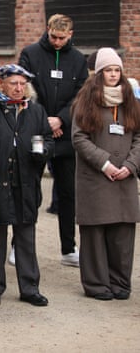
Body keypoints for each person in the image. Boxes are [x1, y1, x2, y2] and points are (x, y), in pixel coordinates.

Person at [0, 64, 53, 307]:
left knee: (26, 236)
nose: (19, 88)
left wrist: (42, 152)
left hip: (26, 181)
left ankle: (30, 288)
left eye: (23, 84)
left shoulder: (36, 111)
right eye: (14, 83)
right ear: (1, 84)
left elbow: (48, 138)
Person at [19, 14, 88, 267]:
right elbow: (26, 89)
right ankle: (20, 246)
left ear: (70, 34)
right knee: (29, 188)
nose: (57, 42)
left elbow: (82, 95)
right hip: (38, 132)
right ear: (47, 30)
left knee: (68, 193)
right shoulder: (30, 53)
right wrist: (45, 121)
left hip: (65, 134)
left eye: (62, 37)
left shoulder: (79, 60)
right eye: (53, 36)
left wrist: (61, 119)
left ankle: (69, 248)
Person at [71, 47, 140, 301]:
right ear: (99, 73)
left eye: (117, 70)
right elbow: (79, 138)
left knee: (122, 235)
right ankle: (97, 285)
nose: (113, 75)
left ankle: (120, 283)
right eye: (108, 70)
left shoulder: (131, 101)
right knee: (95, 233)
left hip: (125, 177)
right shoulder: (85, 101)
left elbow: (139, 137)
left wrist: (131, 165)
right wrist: (105, 164)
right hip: (97, 177)